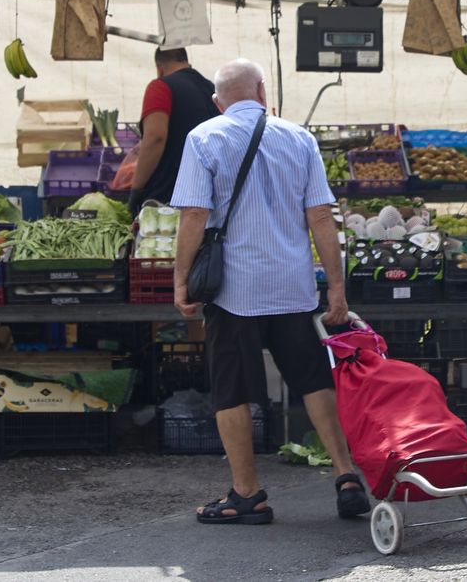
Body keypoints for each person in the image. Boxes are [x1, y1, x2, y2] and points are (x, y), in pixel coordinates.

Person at [169, 58, 369, 525]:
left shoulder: (204, 137)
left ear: (218, 103)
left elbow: (193, 217)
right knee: (314, 381)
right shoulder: (299, 138)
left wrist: (180, 281)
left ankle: (247, 494)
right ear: (263, 91)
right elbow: (321, 218)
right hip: (292, 287)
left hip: (232, 291)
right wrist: (336, 288)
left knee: (231, 389)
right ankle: (346, 476)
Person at [129, 48, 218, 214]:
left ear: (160, 68)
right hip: (208, 194)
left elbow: (155, 138)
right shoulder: (212, 89)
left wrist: (137, 189)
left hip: (169, 198)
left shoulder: (160, 87)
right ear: (186, 61)